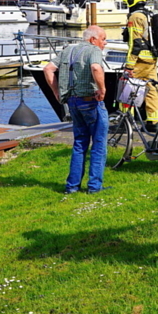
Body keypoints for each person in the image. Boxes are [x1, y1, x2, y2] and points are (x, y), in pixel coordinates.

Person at [43, 25, 110, 194]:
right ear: (93, 39)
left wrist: (56, 92)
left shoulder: (68, 50)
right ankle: (94, 187)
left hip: (72, 102)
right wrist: (102, 89)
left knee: (80, 143)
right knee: (99, 144)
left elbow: (48, 69)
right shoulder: (93, 50)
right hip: (90, 102)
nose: (105, 43)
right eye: (103, 39)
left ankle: (72, 186)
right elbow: (96, 68)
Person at [123, 0, 158, 129]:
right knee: (151, 90)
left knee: (128, 89)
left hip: (139, 60)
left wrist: (129, 65)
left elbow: (136, 43)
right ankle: (153, 121)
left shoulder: (135, 17)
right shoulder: (148, 14)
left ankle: (126, 121)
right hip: (152, 59)